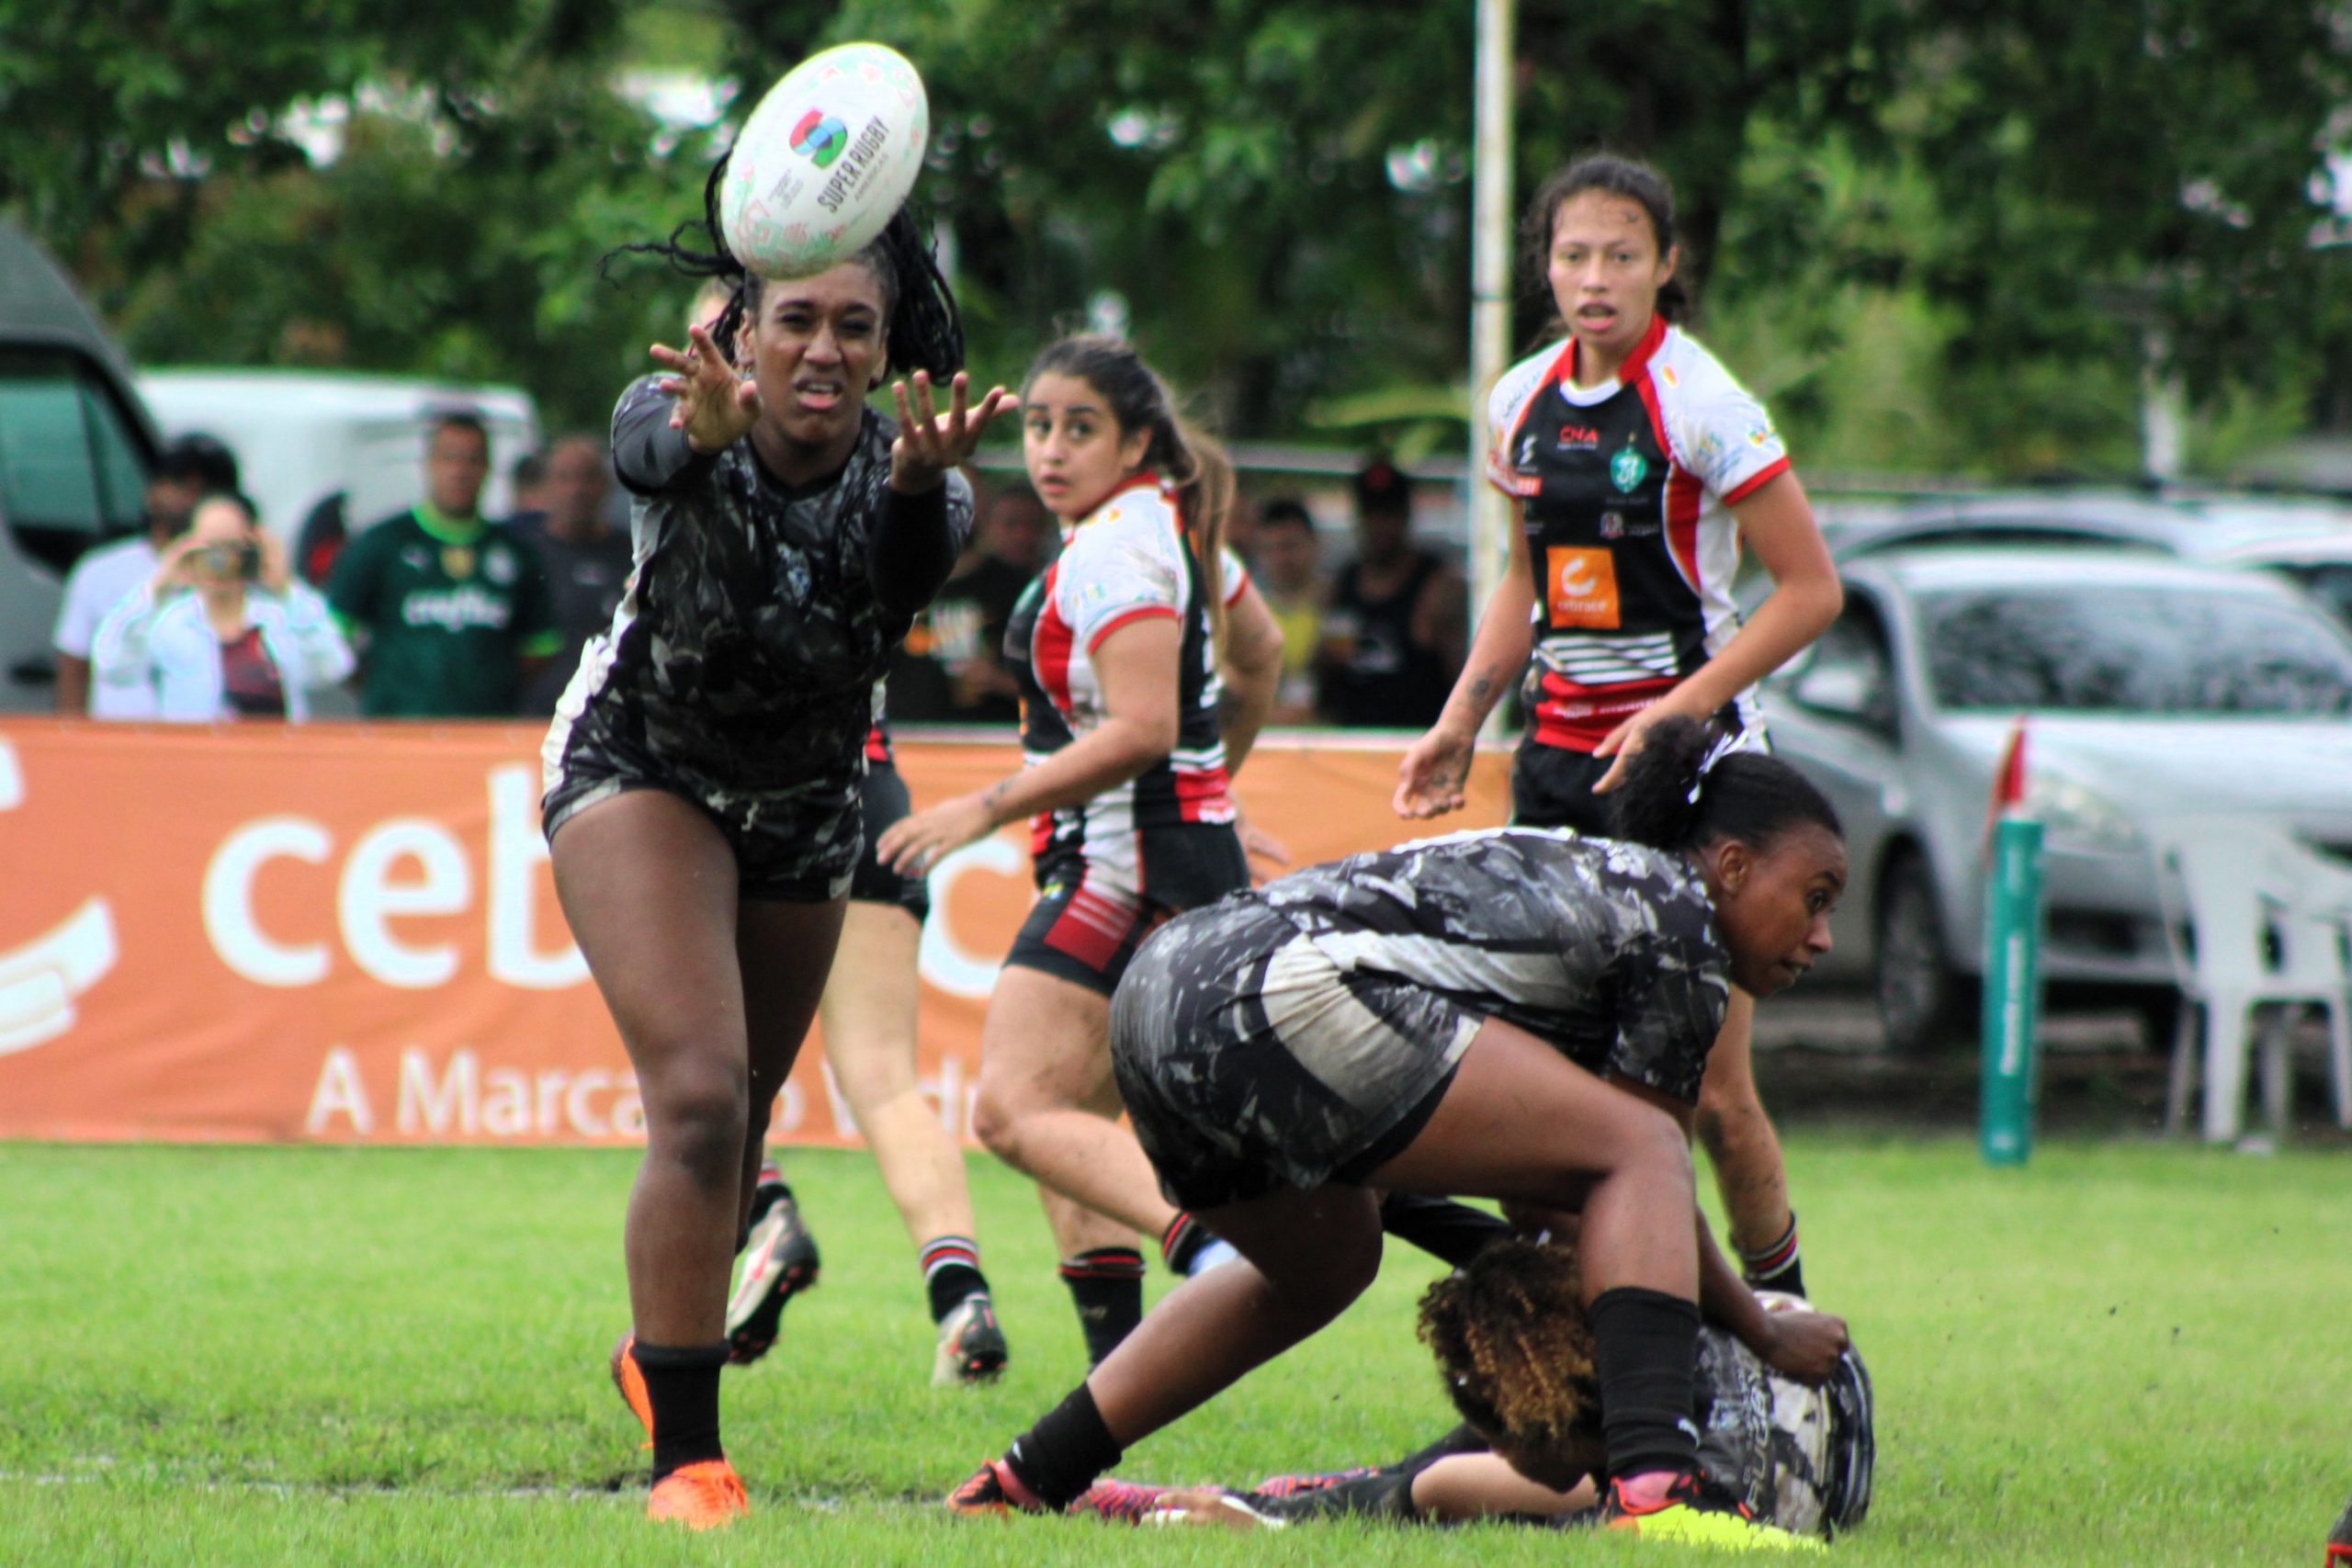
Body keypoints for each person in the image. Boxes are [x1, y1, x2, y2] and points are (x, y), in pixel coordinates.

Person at [948, 716, 1851, 1553]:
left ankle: (1030, 1476)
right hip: (1276, 994)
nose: (1821, 936)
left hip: (1161, 995)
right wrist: (1758, 1331)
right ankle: (1659, 1493)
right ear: (1730, 866)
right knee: (1646, 1147)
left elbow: (1558, 1210)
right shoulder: (1680, 920)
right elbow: (1644, 1161)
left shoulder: (1599, 898)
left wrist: (1552, 1387)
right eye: (1813, 897)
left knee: (1327, 1261)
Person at [548, 152, 1006, 1529]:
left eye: (852, 326)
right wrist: (698, 434)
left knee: (737, 1124)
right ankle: (689, 1456)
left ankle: (657, 1350)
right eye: (793, 320)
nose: (821, 347)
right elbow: (642, 453)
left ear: (884, 349)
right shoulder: (674, 401)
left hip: (808, 802)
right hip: (640, 763)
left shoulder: (925, 476)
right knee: (693, 1097)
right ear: (741, 333)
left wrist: (923, 489)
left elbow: (901, 579)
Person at [1396, 153, 1846, 1303]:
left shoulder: (1700, 403)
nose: (1594, 278)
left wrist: (1678, 711)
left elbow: (1809, 590)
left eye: (1621, 255)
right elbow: (1522, 581)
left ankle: (1785, 1330)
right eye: (1572, 254)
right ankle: (1580, 1342)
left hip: (1693, 776)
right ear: (1544, 265)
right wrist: (1461, 720)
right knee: (1539, 1084)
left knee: (1710, 1091)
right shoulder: (1518, 403)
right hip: (1558, 769)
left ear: (1666, 265)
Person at [877, 334, 1285, 1368]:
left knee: (1015, 1114)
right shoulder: (1161, 528)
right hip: (1163, 856)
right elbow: (1261, 655)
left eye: (1080, 428)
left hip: (1126, 870)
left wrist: (981, 808)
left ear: (1136, 439)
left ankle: (1212, 1256)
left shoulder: (1115, 549)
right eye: (1039, 427)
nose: (1051, 450)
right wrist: (1210, 789)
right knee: (1076, 1146)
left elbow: (1143, 728)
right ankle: (1121, 1392)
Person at [649, 277, 1011, 1393]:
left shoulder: (845, 471)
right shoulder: (685, 447)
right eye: (764, 324)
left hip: (794, 800)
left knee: (697, 1077)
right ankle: (960, 1297)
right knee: (879, 1080)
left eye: (839, 326)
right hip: (870, 786)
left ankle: (765, 1217)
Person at [1069, 1235, 1873, 1540]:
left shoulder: (1671, 1502)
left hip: (1740, 1423)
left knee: (1436, 1486)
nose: (1493, 1445)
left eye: (1499, 1431)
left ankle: (1262, 1508)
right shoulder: (1663, 1321)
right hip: (1794, 1351)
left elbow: (1453, 1485)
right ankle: (1276, 1497)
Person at [327, 410, 563, 717]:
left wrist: (491, 687)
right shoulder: (382, 544)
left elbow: (540, 649)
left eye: (472, 459)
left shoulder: (516, 553)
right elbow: (330, 637)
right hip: (398, 733)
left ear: (488, 468)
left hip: (484, 735)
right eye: (449, 458)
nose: (460, 471)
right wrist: (382, 690)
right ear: (427, 464)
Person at [89, 491, 352, 721]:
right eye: (209, 549)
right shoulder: (171, 622)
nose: (220, 562)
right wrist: (158, 589)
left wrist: (286, 590)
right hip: (195, 768)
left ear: (252, 549)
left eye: (230, 548)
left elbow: (333, 667)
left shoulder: (280, 618)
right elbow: (113, 666)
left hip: (273, 766)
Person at [51, 434, 241, 717]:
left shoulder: (246, 577)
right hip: (119, 748)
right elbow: (75, 667)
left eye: (208, 489)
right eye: (181, 485)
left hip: (216, 747)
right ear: (152, 493)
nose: (192, 498)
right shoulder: (99, 571)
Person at [884, 482, 1050, 725]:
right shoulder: (888, 583)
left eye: (962, 500)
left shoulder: (1019, 588)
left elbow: (1057, 686)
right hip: (905, 738)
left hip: (991, 742)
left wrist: (998, 680)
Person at [1317, 457, 1464, 728]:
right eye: (1371, 514)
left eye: (1389, 513)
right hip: (1348, 744)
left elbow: (1461, 680)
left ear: (1406, 515)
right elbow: (1325, 678)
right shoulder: (1342, 584)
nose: (1380, 525)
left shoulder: (1437, 586)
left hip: (1414, 742)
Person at [513, 434, 633, 717]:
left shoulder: (631, 556)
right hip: (533, 717)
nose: (577, 490)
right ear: (545, 486)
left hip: (608, 718)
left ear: (606, 486)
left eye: (588, 478)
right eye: (565, 478)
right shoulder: (520, 553)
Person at [1250, 498, 1325, 725]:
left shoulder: (1337, 604)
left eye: (1290, 546)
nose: (1281, 558)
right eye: (1270, 549)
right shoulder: (1248, 612)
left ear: (1314, 544)